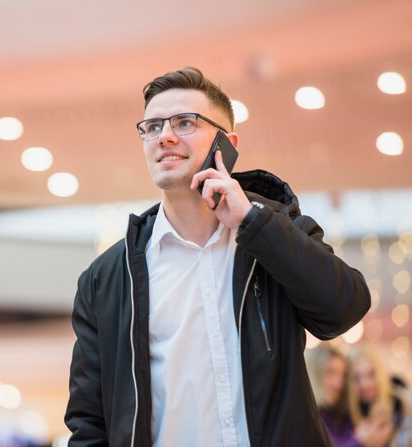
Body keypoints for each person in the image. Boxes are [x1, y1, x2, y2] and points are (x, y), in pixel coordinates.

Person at [64, 67, 371, 446]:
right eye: (153, 126)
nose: (166, 137)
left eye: (185, 122)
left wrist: (253, 223)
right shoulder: (107, 277)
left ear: (228, 143)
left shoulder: (277, 230)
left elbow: (343, 309)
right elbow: (89, 422)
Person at [306, 344, 392, 447]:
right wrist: (360, 440)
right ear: (315, 373)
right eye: (330, 372)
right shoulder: (312, 416)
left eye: (341, 375)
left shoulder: (394, 409)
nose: (338, 383)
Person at [347, 344, 412, 447]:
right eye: (357, 378)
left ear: (381, 373)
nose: (365, 384)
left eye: (371, 374)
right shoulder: (345, 416)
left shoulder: (404, 406)